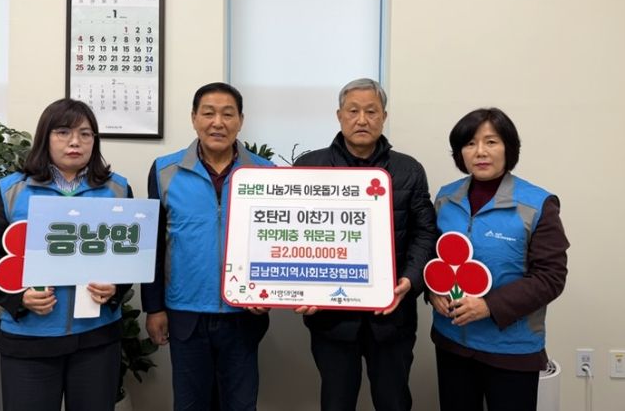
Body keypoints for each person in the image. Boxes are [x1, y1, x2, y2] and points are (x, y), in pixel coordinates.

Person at [0, 98, 133, 411]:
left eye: (85, 134)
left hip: (96, 340)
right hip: (29, 340)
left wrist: (116, 288)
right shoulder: (13, 190)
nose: (75, 141)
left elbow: (133, 255)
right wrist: (17, 297)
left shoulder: (117, 190)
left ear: (95, 140)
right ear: (45, 137)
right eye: (63, 132)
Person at [294, 78, 438, 411]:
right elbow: (295, 231)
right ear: (339, 115)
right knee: (336, 402)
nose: (362, 120)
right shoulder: (310, 166)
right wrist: (300, 286)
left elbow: (425, 232)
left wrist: (410, 280)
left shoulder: (408, 169)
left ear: (384, 116)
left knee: (394, 402)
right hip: (331, 320)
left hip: (391, 317)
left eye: (371, 111)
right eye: (353, 111)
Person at [141, 82, 273, 411]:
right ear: (194, 118)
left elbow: (274, 243)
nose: (218, 123)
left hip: (243, 313)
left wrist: (268, 292)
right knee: (190, 404)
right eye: (208, 113)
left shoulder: (264, 172)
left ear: (241, 120)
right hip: (185, 311)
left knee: (240, 404)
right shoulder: (165, 171)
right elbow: (154, 245)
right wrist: (154, 308)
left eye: (228, 114)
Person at [427, 107, 569, 411]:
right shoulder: (445, 198)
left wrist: (489, 306)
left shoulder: (537, 203)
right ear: (460, 153)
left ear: (509, 148)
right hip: (452, 341)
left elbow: (550, 277)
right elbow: (433, 255)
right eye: (470, 143)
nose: (480, 151)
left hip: (511, 350)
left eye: (491, 142)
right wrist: (432, 290)